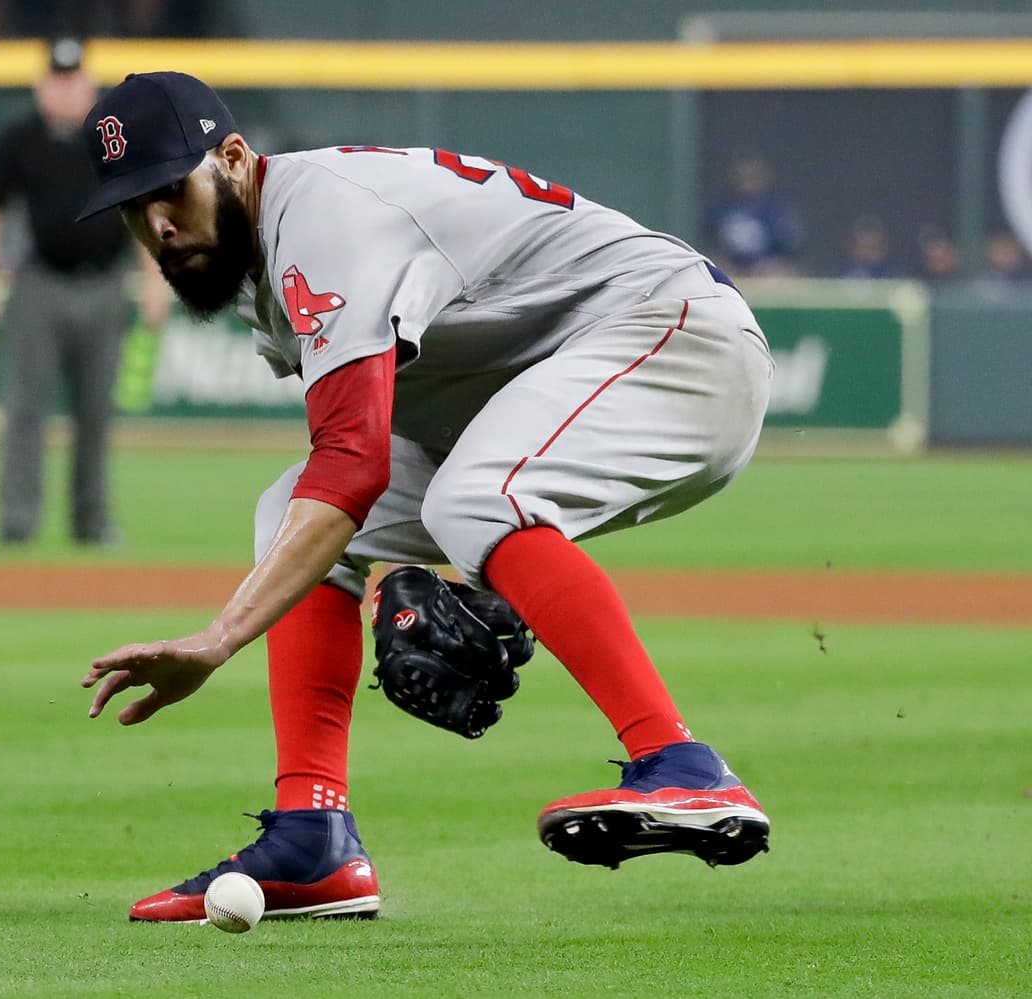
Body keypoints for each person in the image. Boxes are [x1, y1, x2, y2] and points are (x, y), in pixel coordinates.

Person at [77, 72, 775, 922]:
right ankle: (312, 837)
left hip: (676, 338)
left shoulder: (320, 220)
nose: (156, 224)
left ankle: (682, 764)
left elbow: (355, 461)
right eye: (132, 207)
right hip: (564, 364)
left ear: (232, 158)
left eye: (169, 191)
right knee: (287, 513)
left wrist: (219, 639)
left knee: (472, 501)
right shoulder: (265, 249)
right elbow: (347, 473)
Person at [0, 39, 170, 545]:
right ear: (41, 86)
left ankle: (92, 523)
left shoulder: (112, 141)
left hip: (103, 283)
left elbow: (143, 210)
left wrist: (157, 280)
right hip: (40, 284)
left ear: (89, 85)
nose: (66, 88)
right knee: (26, 405)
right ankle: (18, 520)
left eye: (74, 79)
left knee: (96, 411)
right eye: (57, 79)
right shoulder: (17, 140)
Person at [706, 149, 803, 277]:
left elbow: (789, 249)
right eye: (744, 176)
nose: (748, 183)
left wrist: (769, 264)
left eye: (753, 176)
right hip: (731, 267)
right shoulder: (723, 207)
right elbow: (709, 242)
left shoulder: (774, 209)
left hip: (765, 268)